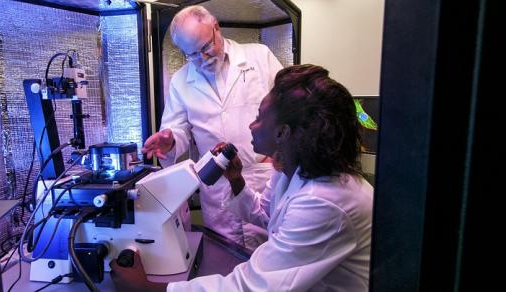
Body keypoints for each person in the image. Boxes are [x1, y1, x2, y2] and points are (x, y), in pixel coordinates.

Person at [111, 64, 374, 291]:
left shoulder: (326, 201)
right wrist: (236, 179)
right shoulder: (294, 170)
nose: (251, 125)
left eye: (259, 118)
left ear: (283, 133)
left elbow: (251, 287)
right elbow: (267, 214)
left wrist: (150, 289)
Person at [141, 5, 283, 250]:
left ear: (216, 27)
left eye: (206, 47)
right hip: (217, 188)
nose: (203, 59)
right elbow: (177, 129)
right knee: (226, 258)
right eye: (193, 55)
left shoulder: (259, 56)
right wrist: (170, 140)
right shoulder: (181, 81)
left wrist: (278, 156)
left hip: (263, 176)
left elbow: (287, 106)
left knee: (271, 256)